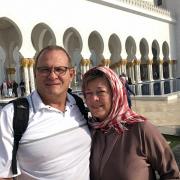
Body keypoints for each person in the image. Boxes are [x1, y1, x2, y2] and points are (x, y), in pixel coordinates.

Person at [0, 45, 91, 180]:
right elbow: (3, 174)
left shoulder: (79, 105)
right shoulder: (13, 114)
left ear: (71, 74)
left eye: (60, 69)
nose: (52, 76)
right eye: (44, 70)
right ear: (35, 73)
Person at [82, 66, 180, 180]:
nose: (94, 98)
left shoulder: (140, 129)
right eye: (88, 93)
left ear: (115, 94)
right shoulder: (90, 131)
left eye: (101, 92)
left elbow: (172, 174)